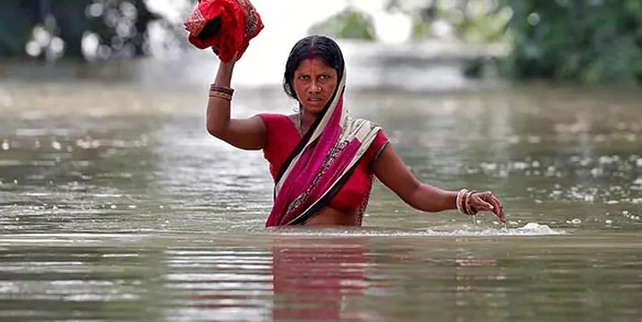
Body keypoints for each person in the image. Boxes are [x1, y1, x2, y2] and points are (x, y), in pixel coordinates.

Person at [206, 35, 506, 227]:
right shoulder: (272, 129)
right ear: (291, 82)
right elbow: (218, 127)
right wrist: (227, 61)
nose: (314, 88)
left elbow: (414, 191)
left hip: (346, 268)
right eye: (304, 78)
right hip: (289, 262)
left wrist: (463, 199)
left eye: (324, 77)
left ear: (340, 80)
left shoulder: (364, 140)